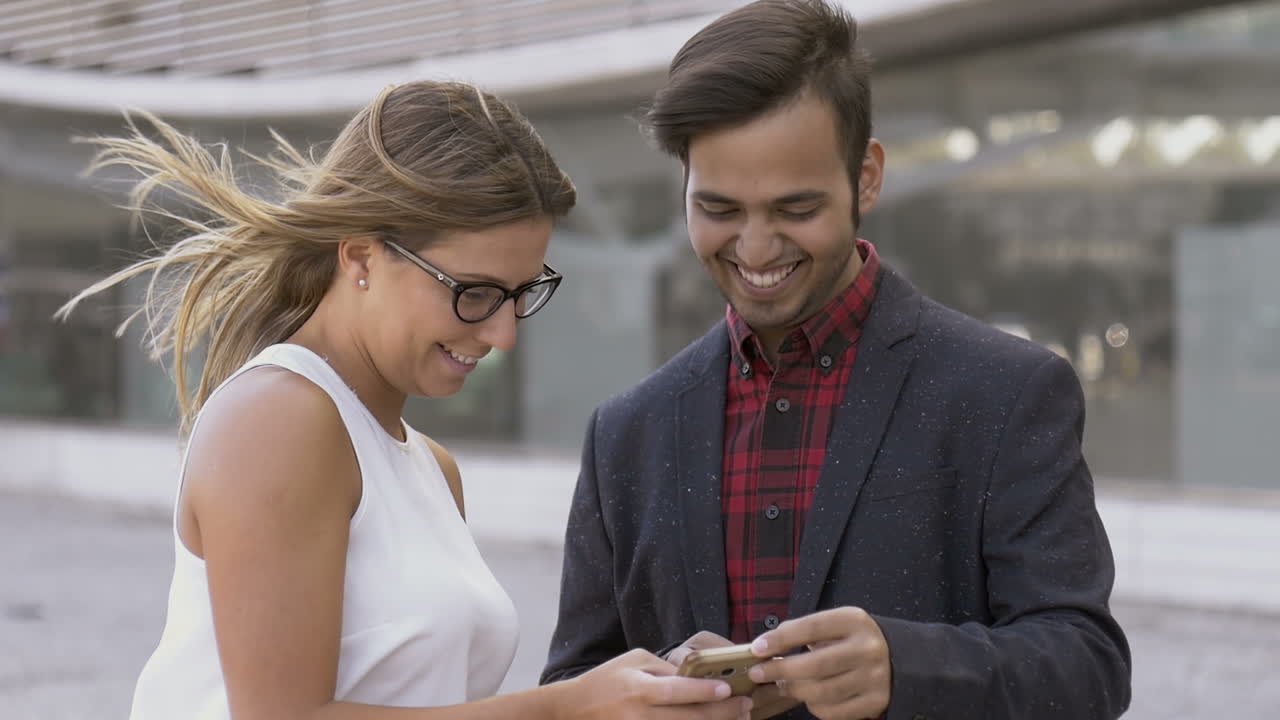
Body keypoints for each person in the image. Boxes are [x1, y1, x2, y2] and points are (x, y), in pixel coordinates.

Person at [58, 81, 752, 720]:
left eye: (520, 294)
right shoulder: (279, 417)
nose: (503, 333)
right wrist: (565, 709)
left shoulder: (429, 467)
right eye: (474, 292)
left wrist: (634, 696)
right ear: (361, 258)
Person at [541, 2, 1132, 719]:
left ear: (869, 177)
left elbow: (1089, 670)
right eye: (720, 209)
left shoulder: (1009, 393)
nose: (755, 250)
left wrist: (907, 668)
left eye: (795, 209)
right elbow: (570, 692)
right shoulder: (625, 434)